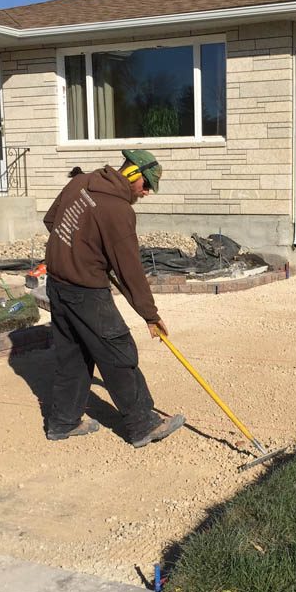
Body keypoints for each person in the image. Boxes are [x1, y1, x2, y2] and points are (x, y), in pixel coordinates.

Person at [41, 149, 185, 447]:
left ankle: (62, 423)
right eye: (146, 185)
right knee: (119, 354)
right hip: (87, 293)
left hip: (57, 285)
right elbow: (129, 269)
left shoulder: (80, 182)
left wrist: (79, 251)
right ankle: (143, 425)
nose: (146, 192)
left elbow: (51, 221)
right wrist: (150, 314)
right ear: (132, 174)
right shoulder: (119, 211)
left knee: (74, 356)